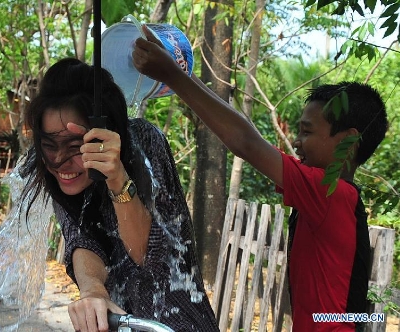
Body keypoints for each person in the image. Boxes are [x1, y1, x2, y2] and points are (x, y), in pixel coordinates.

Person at [132, 26, 388, 332]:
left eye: (306, 131)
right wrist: (180, 72)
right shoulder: (333, 194)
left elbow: (246, 142)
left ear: (349, 141)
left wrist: (174, 77)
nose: (296, 142)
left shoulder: (329, 192)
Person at [20, 58, 220, 332]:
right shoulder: (58, 175)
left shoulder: (143, 141)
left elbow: (146, 257)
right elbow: (82, 240)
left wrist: (117, 178)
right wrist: (93, 292)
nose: (59, 161)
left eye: (75, 146)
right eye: (49, 145)